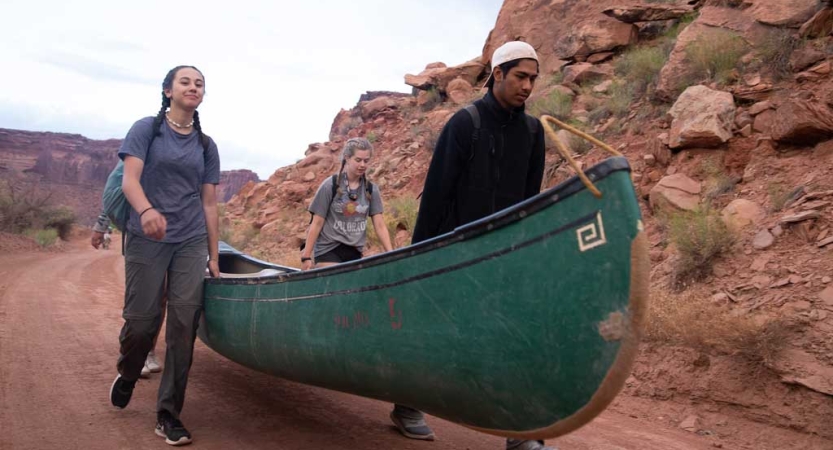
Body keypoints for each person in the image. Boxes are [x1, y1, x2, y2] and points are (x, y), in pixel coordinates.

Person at [399, 41, 556, 450]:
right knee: (434, 334)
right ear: (498, 74)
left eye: (533, 79)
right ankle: (407, 404)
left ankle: (520, 434)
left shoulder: (534, 132)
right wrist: (422, 259)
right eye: (520, 76)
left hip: (503, 259)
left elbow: (528, 200)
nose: (527, 86)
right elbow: (435, 198)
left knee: (516, 338)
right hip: (454, 254)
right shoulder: (464, 124)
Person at [108, 65, 220, 447]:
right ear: (168, 90)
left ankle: (167, 414)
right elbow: (130, 180)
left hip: (189, 239)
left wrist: (214, 255)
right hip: (147, 236)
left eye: (199, 83)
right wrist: (146, 211)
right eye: (185, 81)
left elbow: (209, 203)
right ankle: (128, 369)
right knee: (142, 322)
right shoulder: (146, 130)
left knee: (183, 323)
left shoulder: (206, 145)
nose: (193, 87)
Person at [300, 137, 393, 270]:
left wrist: (391, 254)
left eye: (366, 161)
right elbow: (317, 223)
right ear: (347, 158)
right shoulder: (330, 186)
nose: (362, 165)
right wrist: (306, 256)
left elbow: (379, 225)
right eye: (358, 160)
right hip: (328, 250)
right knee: (337, 280)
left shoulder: (371, 190)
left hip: (354, 251)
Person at [91, 214, 164, 378]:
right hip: (141, 235)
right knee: (141, 295)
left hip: (176, 235)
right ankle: (133, 351)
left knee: (162, 297)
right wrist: (101, 225)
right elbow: (115, 190)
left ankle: (148, 350)